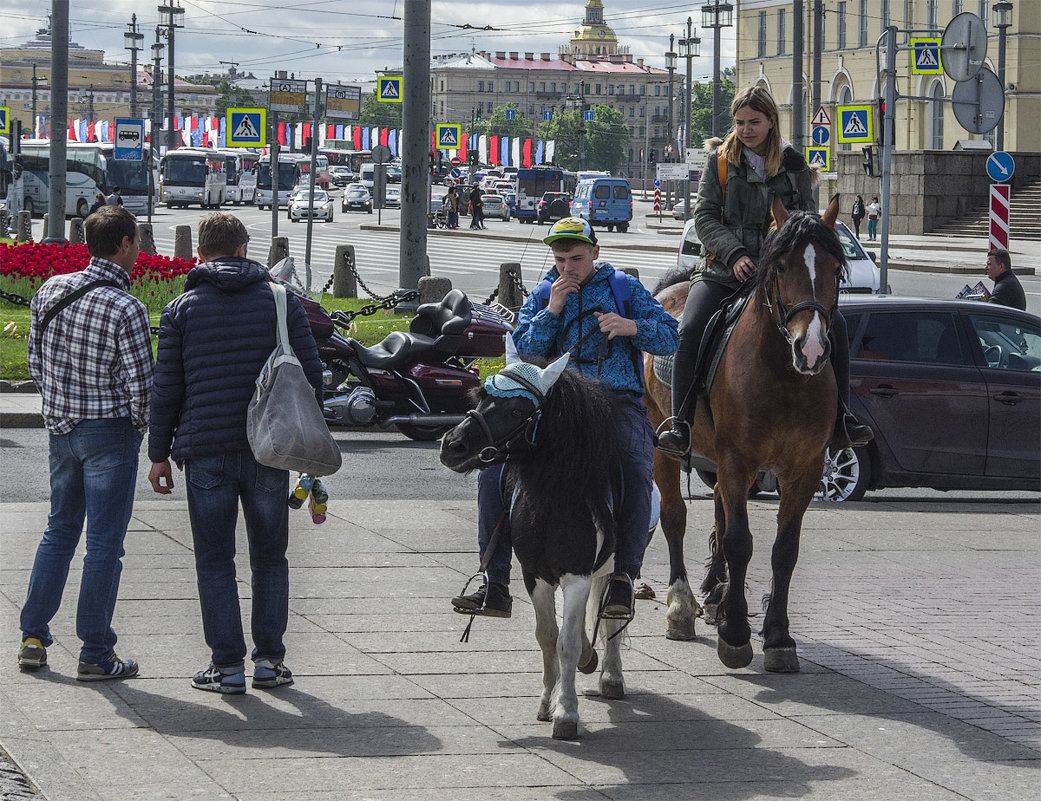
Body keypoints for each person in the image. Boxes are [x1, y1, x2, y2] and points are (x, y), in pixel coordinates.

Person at [451, 217, 680, 619]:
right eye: (560, 259)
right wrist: (553, 310)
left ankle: (624, 578)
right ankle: (495, 580)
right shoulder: (544, 293)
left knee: (636, 465)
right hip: (555, 406)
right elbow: (522, 350)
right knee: (493, 470)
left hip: (616, 401)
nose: (568, 268)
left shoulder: (622, 287)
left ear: (595, 251)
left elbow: (670, 336)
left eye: (576, 258)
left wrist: (630, 326)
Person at [147, 213, 322, 695]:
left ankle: (226, 667)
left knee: (214, 560)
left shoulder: (181, 308)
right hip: (269, 449)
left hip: (204, 451)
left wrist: (158, 453)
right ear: (245, 249)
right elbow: (312, 377)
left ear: (200, 255)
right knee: (270, 558)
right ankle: (269, 662)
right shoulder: (281, 301)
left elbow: (167, 390)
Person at [656, 85, 872, 460]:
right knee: (690, 328)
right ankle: (681, 425)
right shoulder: (721, 162)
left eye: (754, 122)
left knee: (834, 325)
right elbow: (704, 217)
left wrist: (785, 255)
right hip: (724, 271)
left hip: (781, 274)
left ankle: (842, 420)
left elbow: (806, 224)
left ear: (772, 121)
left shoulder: (795, 166)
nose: (746, 130)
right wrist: (735, 252)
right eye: (739, 123)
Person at [18, 206, 153, 680]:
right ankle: (95, 652)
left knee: (58, 532)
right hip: (110, 433)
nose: (139, 248)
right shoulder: (126, 307)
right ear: (122, 245)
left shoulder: (52, 288)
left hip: (61, 430)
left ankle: (33, 636)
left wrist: (59, 405)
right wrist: (141, 428)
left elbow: (35, 361)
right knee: (103, 546)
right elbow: (142, 386)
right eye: (137, 240)